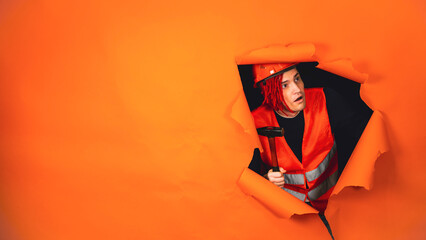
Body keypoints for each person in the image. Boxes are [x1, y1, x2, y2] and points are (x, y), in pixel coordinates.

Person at [248, 62, 370, 213]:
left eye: (297, 78)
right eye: (284, 85)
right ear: (268, 91)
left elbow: (368, 135)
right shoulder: (254, 123)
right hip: (289, 214)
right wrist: (265, 182)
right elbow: (246, 182)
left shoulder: (326, 99)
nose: (297, 89)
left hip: (335, 205)